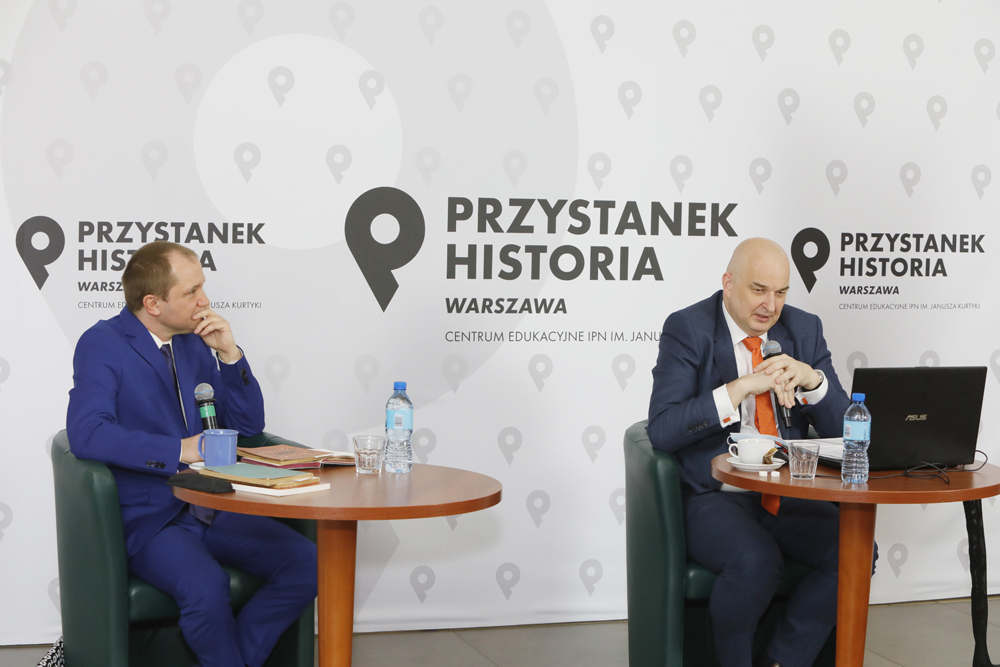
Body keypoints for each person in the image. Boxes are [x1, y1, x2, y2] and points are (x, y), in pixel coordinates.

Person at [67, 241, 316, 667]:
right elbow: (87, 434)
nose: (205, 300)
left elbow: (248, 427)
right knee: (206, 588)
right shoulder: (102, 343)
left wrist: (230, 355)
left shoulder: (195, 342)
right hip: (153, 517)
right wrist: (177, 449)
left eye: (203, 287)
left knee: (308, 563)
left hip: (213, 502)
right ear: (153, 303)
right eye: (191, 291)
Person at [647, 238, 849, 667]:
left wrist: (813, 381)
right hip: (713, 495)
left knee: (854, 551)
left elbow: (847, 432)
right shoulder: (688, 328)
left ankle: (781, 661)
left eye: (781, 292)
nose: (770, 306)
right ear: (728, 284)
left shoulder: (804, 329)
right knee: (755, 561)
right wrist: (738, 390)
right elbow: (663, 430)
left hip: (787, 492)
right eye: (759, 290)